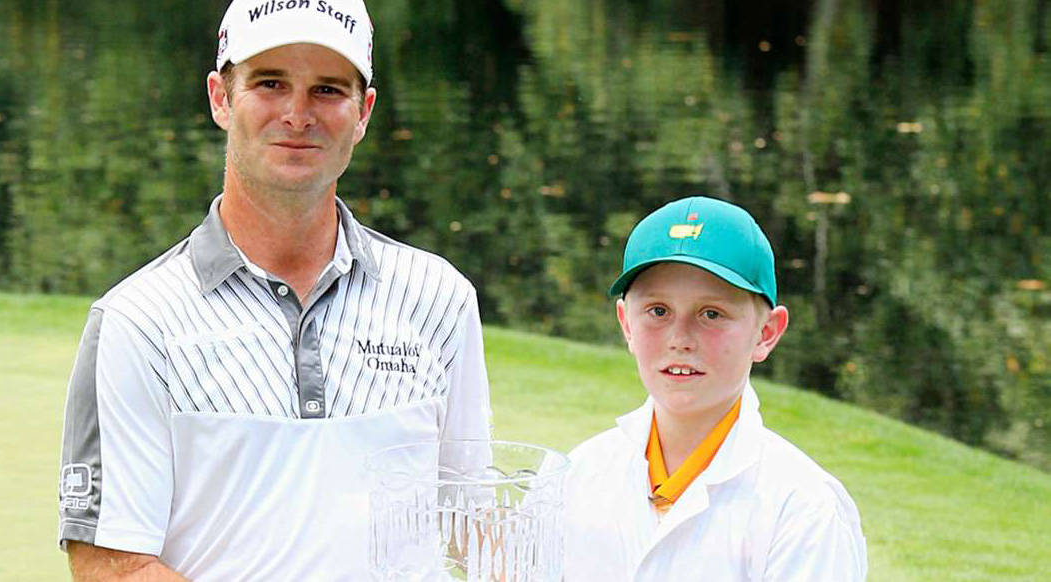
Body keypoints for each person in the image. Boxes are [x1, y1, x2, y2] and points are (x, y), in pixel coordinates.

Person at [56, 1, 492, 579]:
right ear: (220, 97)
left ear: (363, 112)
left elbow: (473, 524)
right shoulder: (138, 321)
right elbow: (112, 562)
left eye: (328, 91)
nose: (297, 114)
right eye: (269, 83)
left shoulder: (439, 298)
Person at [563, 196, 867, 580]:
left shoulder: (804, 507)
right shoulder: (578, 474)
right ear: (626, 323)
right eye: (658, 311)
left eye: (712, 314)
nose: (680, 339)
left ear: (766, 333)